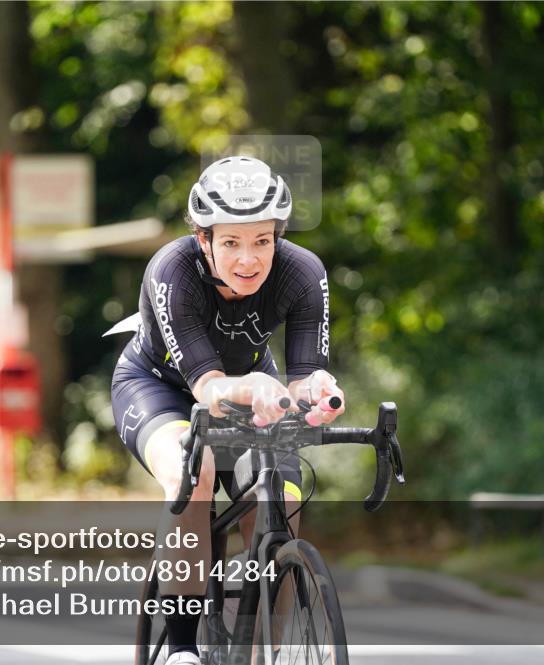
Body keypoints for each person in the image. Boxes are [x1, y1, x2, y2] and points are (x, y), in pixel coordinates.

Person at [110, 156, 344, 664]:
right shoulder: (172, 271)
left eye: (262, 241)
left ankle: (269, 652)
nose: (248, 260)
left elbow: (306, 375)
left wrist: (319, 389)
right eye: (232, 242)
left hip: (254, 391)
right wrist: (260, 385)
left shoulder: (302, 273)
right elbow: (209, 389)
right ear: (204, 239)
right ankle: (181, 649)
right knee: (194, 474)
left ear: (278, 237)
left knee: (279, 493)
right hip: (161, 389)